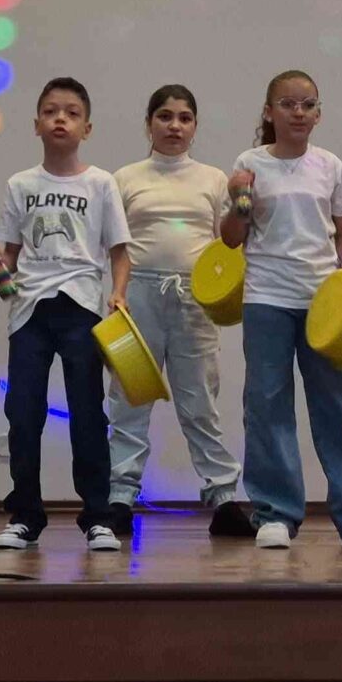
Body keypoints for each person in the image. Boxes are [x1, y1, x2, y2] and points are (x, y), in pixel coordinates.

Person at [226, 69, 342, 549]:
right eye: (287, 104)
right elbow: (230, 237)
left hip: (325, 301)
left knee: (341, 406)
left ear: (318, 114)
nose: (298, 112)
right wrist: (240, 199)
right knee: (266, 406)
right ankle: (274, 514)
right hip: (267, 297)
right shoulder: (249, 163)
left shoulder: (330, 165)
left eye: (307, 104)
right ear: (269, 112)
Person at [0, 77, 132, 551]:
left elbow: (120, 251)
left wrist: (118, 294)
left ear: (86, 128)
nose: (60, 119)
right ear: (36, 124)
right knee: (23, 412)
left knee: (87, 413)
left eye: (72, 113)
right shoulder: (21, 184)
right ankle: (25, 515)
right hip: (29, 311)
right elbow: (8, 256)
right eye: (51, 111)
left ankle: (97, 516)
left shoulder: (101, 183)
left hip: (82, 307)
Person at [109, 85, 252, 536]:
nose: (174, 126)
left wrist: (242, 200)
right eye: (165, 116)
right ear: (148, 123)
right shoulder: (124, 178)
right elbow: (114, 246)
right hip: (136, 298)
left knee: (199, 402)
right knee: (129, 397)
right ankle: (119, 496)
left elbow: (229, 239)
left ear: (194, 126)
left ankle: (223, 498)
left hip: (195, 299)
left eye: (184, 118)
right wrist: (117, 294)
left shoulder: (213, 179)